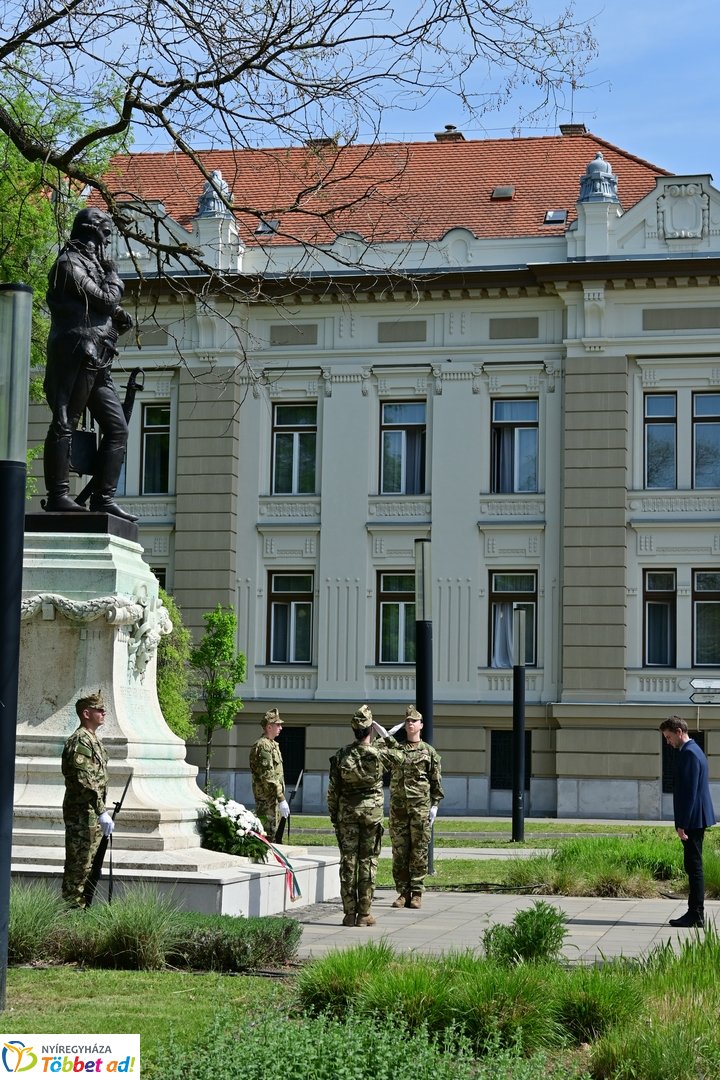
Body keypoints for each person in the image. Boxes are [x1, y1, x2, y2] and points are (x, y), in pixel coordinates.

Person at [43, 207, 137, 521]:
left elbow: (109, 311)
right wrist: (112, 275)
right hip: (76, 350)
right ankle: (57, 496)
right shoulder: (68, 264)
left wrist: (113, 320)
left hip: (97, 354)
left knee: (117, 429)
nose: (108, 238)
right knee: (65, 421)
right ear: (90, 228)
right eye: (105, 231)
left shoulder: (87, 264)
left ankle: (103, 498)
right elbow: (106, 301)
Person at [327, 704, 397, 927]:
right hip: (371, 816)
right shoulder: (379, 755)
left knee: (348, 862)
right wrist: (385, 735)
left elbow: (333, 791)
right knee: (368, 861)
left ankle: (348, 913)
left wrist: (334, 816)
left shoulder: (341, 756)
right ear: (370, 730)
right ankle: (364, 914)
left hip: (346, 815)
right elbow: (401, 756)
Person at [373, 705, 444, 909]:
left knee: (419, 851)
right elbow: (376, 750)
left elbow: (436, 782)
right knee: (400, 851)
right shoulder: (397, 750)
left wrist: (435, 806)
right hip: (399, 810)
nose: (410, 723)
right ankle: (403, 893)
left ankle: (417, 892)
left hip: (420, 809)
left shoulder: (429, 752)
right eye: (407, 721)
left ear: (421, 725)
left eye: (414, 721)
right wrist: (389, 733)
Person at [660, 715, 716, 927]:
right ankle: (695, 913)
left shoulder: (690, 753)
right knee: (693, 865)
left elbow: (690, 792)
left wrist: (681, 823)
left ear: (679, 732)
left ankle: (696, 914)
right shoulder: (694, 751)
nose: (668, 742)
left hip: (692, 820)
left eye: (668, 737)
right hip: (694, 818)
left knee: (694, 867)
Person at [61, 692, 115, 908]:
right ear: (86, 713)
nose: (104, 712)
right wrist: (102, 811)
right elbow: (84, 779)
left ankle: (82, 912)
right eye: (99, 709)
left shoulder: (94, 740)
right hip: (82, 815)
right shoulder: (79, 740)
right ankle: (71, 916)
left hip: (91, 815)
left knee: (90, 866)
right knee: (79, 867)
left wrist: (100, 812)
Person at [249, 708, 289, 843]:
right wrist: (282, 798)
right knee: (267, 837)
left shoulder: (272, 745)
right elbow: (268, 777)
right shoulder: (263, 746)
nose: (281, 728)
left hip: (273, 800)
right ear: (269, 726)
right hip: (266, 801)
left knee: (275, 838)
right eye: (278, 725)